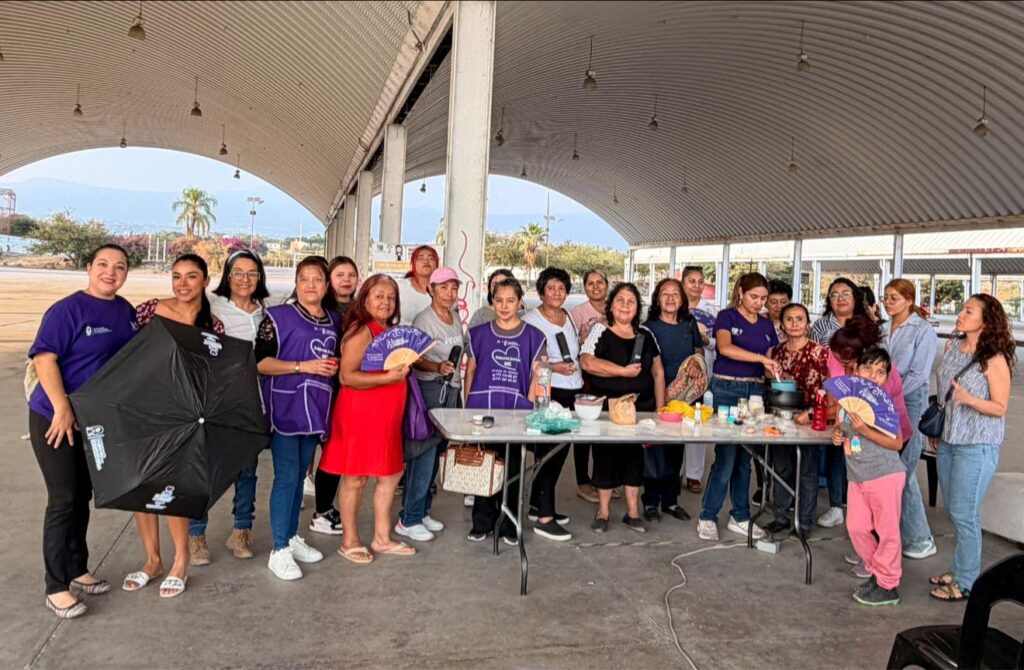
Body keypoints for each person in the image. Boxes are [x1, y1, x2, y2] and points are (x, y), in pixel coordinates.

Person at [28, 244, 137, 619]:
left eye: (119, 267)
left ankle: (77, 568)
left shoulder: (124, 312)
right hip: (53, 416)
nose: (111, 272)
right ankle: (55, 585)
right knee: (63, 497)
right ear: (89, 268)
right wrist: (61, 408)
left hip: (91, 420)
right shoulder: (67, 310)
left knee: (82, 494)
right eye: (103, 265)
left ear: (126, 274)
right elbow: (45, 359)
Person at [125, 254, 226, 598]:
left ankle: (180, 560)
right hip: (145, 409)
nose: (183, 283)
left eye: (191, 276)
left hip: (184, 415)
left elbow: (215, 377)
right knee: (142, 485)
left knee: (173, 487)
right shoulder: (147, 312)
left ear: (205, 282)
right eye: (177, 276)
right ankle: (152, 559)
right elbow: (124, 356)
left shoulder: (213, 326)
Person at [255, 256, 340, 580]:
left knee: (300, 476)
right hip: (286, 408)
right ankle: (278, 549)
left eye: (317, 279)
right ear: (296, 281)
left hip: (316, 408)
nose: (310, 285)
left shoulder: (333, 319)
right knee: (288, 477)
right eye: (304, 279)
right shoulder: (276, 317)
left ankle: (291, 536)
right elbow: (260, 362)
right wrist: (302, 366)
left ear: (326, 284)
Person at [321, 274, 416, 565]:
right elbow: (347, 376)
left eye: (391, 297)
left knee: (390, 474)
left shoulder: (389, 331)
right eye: (379, 296)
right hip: (360, 414)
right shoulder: (361, 331)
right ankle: (349, 540)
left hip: (386, 416)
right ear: (365, 298)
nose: (385, 302)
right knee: (356, 477)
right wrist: (388, 377)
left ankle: (382, 537)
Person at [930, 294, 1013, 601]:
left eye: (969, 311)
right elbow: (944, 391)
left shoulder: (993, 359)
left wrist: (970, 400)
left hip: (976, 446)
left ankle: (966, 581)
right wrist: (940, 425)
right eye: (962, 309)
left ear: (986, 321)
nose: (960, 315)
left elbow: (1000, 407)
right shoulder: (953, 348)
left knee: (965, 514)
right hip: (949, 440)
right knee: (953, 510)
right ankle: (958, 567)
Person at [189, 250, 269, 566]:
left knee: (247, 471)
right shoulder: (211, 307)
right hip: (216, 404)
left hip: (252, 405)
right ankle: (196, 535)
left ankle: (241, 531)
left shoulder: (266, 312)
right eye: (238, 272)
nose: (245, 279)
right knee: (206, 471)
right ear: (228, 276)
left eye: (252, 273)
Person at [697, 273, 780, 542]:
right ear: (741, 292)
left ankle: (740, 516)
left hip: (754, 392)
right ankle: (708, 515)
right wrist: (759, 358)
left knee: (746, 457)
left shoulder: (767, 325)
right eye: (754, 297)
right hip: (726, 388)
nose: (759, 302)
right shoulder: (727, 317)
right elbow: (725, 348)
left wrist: (778, 372)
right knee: (726, 456)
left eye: (763, 299)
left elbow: (768, 363)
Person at [464, 276, 545, 544]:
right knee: (485, 465)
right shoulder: (478, 334)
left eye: (510, 300)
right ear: (492, 302)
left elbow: (538, 375)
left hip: (516, 410)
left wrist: (531, 408)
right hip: (484, 408)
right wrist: (466, 407)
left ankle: (510, 524)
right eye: (499, 300)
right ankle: (482, 522)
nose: (504, 305)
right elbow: (471, 371)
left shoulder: (534, 336)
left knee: (513, 469)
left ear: (520, 302)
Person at [581, 282, 666, 534]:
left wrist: (660, 410)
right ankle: (603, 512)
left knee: (634, 459)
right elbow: (587, 362)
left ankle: (632, 512)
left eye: (631, 301)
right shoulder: (600, 330)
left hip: (640, 410)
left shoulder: (647, 335)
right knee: (605, 457)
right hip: (607, 410)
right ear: (611, 305)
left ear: (638, 307)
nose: (625, 306)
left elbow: (658, 371)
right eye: (620, 300)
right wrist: (623, 372)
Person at [822, 317, 913, 539]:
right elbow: (843, 413)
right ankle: (867, 551)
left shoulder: (881, 377)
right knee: (860, 516)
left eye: (845, 360)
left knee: (884, 512)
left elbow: (892, 438)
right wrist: (838, 430)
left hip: (885, 444)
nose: (841, 365)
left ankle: (887, 555)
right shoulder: (852, 371)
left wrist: (861, 429)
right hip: (857, 453)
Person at [395, 267, 467, 542]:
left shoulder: (454, 317)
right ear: (431, 290)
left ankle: (422, 510)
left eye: (454, 288)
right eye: (444, 287)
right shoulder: (423, 320)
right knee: (422, 454)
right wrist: (436, 365)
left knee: (437, 452)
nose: (450, 293)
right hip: (430, 389)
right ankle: (408, 518)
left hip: (451, 390)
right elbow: (412, 356)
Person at [831, 347, 905, 607]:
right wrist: (839, 433)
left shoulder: (884, 405)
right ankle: (878, 572)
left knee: (888, 531)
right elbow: (842, 428)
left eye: (880, 371)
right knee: (856, 527)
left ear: (886, 378)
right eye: (868, 368)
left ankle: (888, 584)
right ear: (856, 370)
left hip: (884, 475)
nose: (873, 375)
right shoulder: (847, 402)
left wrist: (865, 430)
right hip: (857, 476)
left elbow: (896, 444)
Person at [882, 279, 939, 560]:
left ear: (908, 299)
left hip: (910, 400)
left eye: (894, 298)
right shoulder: (884, 328)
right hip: (885, 400)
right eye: (886, 298)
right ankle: (891, 535)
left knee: (903, 469)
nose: (888, 302)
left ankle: (920, 537)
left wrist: (890, 395)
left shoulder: (922, 330)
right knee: (888, 467)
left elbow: (918, 373)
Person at [522, 267, 580, 541]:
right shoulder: (532, 320)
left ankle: (537, 505)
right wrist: (555, 367)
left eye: (561, 288)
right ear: (541, 291)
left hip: (572, 389)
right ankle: (545, 518)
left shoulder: (566, 316)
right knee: (548, 454)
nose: (557, 293)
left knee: (560, 451)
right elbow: (529, 357)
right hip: (549, 389)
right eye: (551, 288)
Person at [762, 303, 828, 539]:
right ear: (782, 325)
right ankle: (780, 516)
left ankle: (804, 522)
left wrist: (812, 414)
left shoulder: (820, 352)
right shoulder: (776, 352)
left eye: (800, 319)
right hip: (781, 418)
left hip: (808, 419)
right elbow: (770, 381)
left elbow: (828, 389)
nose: (795, 324)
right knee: (782, 468)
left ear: (807, 324)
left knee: (807, 471)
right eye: (789, 319)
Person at [304, 255, 359, 522]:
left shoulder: (361, 310)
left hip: (347, 390)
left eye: (351, 274)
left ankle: (324, 508)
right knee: (323, 449)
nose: (347, 280)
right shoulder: (320, 312)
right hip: (318, 387)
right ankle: (322, 510)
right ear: (328, 281)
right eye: (340, 275)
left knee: (335, 451)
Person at [642, 277, 701, 518]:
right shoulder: (649, 327)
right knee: (655, 449)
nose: (670, 298)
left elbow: (697, 350)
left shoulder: (689, 323)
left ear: (682, 299)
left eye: (675, 294)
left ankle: (671, 500)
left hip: (684, 398)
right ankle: (650, 501)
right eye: (664, 294)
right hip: (656, 395)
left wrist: (697, 364)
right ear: (657, 298)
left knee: (676, 448)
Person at [568, 268, 610, 504]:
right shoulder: (577, 313)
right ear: (585, 288)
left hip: (611, 378)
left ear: (607, 285)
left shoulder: (616, 309)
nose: (595, 287)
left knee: (606, 430)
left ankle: (602, 480)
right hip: (587, 379)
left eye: (600, 282)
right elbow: (571, 346)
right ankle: (583, 481)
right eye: (590, 283)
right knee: (585, 429)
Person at [681, 265, 718, 492]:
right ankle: (672, 469)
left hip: (703, 372)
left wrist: (706, 341)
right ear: (683, 283)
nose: (697, 285)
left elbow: (718, 343)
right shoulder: (673, 304)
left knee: (697, 421)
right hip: (676, 371)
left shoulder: (711, 310)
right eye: (692, 281)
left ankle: (694, 474)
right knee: (674, 419)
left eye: (700, 281)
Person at [810, 277, 869, 345]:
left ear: (855, 298)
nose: (840, 298)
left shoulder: (866, 324)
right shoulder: (820, 325)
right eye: (834, 295)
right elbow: (814, 353)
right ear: (830, 301)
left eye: (846, 294)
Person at [397, 245, 439, 325]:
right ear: (413, 263)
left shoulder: (444, 291)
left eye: (431, 258)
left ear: (436, 264)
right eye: (420, 258)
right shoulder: (399, 287)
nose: (426, 262)